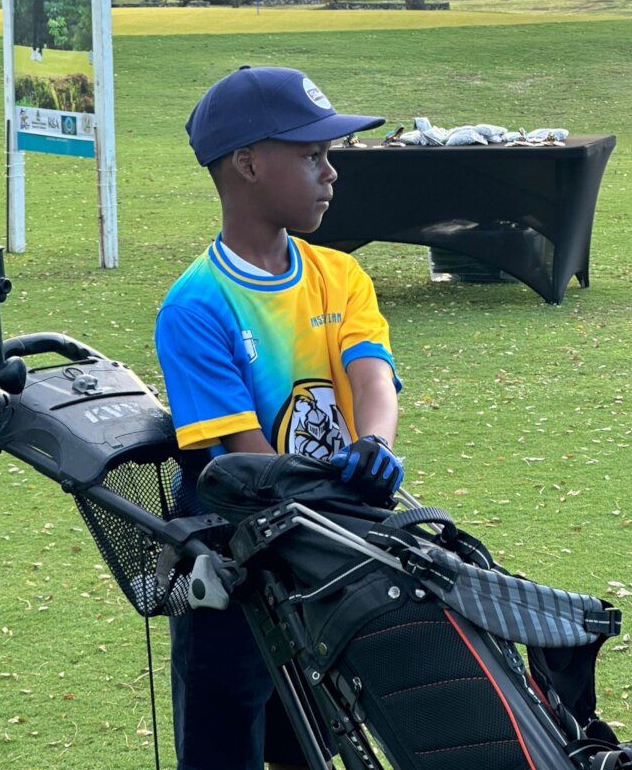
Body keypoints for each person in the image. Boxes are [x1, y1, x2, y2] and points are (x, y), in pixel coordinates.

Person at [155, 65, 404, 770]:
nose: (331, 172)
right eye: (312, 155)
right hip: (234, 565)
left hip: (324, 550)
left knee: (317, 736)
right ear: (247, 164)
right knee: (228, 733)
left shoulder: (340, 275)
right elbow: (244, 456)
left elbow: (372, 375)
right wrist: (331, 504)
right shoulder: (196, 306)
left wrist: (374, 445)